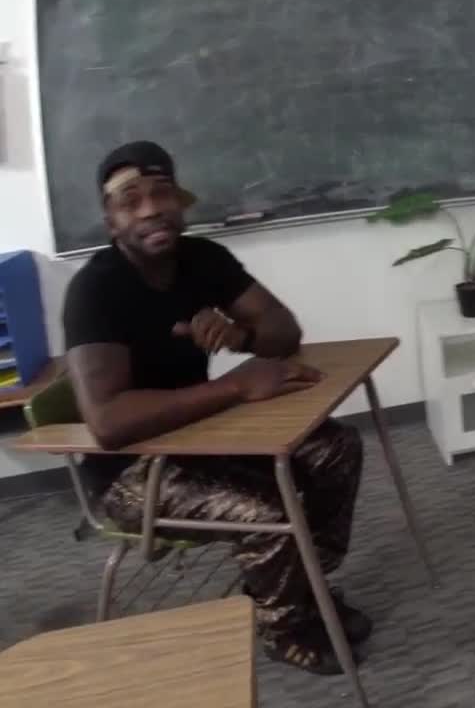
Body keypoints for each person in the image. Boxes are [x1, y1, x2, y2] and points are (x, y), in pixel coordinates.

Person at [61, 140, 369, 675]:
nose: (151, 209)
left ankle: (298, 590)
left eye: (162, 194)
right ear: (111, 222)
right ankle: (284, 630)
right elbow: (108, 424)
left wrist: (242, 335)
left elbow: (285, 329)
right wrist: (235, 387)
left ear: (180, 203)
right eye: (131, 201)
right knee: (266, 508)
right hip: (129, 471)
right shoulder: (95, 291)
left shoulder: (203, 259)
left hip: (202, 433)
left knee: (336, 449)